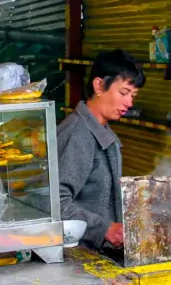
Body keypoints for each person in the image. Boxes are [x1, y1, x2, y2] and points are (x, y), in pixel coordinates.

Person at [57, 49, 145, 251]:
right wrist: (104, 229)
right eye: (123, 92)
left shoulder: (101, 130)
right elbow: (56, 204)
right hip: (79, 256)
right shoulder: (78, 134)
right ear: (99, 85)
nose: (129, 103)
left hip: (97, 253)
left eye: (133, 95)